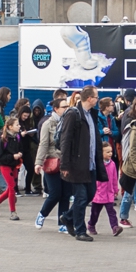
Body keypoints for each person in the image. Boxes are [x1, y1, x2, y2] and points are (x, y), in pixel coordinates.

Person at [57, 86, 106, 241]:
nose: (98, 99)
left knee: (90, 194)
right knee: (81, 197)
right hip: (77, 164)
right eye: (96, 97)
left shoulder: (91, 114)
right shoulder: (73, 114)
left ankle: (67, 217)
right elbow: (65, 140)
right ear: (89, 98)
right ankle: (80, 230)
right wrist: (64, 165)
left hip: (90, 164)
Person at [35, 96, 71, 233]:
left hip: (66, 163)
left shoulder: (69, 121)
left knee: (66, 194)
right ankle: (42, 214)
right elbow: (43, 144)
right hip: (52, 162)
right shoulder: (48, 124)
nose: (66, 109)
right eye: (64, 107)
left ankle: (62, 222)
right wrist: (38, 163)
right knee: (55, 193)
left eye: (67, 107)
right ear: (56, 109)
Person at [88, 140, 124, 236]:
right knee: (95, 213)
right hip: (98, 194)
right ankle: (91, 225)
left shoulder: (112, 164)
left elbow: (114, 178)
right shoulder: (97, 164)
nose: (110, 154)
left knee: (111, 212)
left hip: (109, 193)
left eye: (111, 151)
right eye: (107, 152)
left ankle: (115, 227)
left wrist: (115, 189)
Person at [0, 117, 25, 221]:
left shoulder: (17, 137)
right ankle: (13, 212)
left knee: (11, 188)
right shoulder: (3, 140)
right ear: (10, 127)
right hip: (5, 165)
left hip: (14, 165)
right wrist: (12, 156)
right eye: (17, 125)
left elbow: (20, 149)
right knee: (11, 187)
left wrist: (20, 153)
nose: (19, 126)